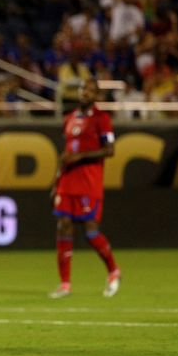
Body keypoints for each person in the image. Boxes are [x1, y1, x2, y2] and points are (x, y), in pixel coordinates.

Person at [49, 78, 120, 299]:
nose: (85, 93)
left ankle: (113, 270)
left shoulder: (102, 119)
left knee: (90, 230)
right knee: (63, 226)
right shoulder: (69, 118)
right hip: (67, 181)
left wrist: (81, 157)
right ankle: (65, 284)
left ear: (97, 95)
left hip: (89, 181)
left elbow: (109, 150)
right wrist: (55, 181)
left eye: (90, 90)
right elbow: (66, 152)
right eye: (83, 89)